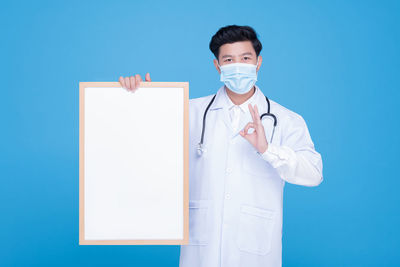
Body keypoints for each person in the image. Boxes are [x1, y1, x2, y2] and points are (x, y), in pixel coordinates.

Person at [119, 25, 323, 267]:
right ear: (217, 66)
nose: (238, 66)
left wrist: (268, 150)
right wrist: (138, 98)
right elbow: (143, 147)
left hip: (255, 251)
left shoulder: (286, 119)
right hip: (201, 250)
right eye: (229, 59)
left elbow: (314, 174)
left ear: (258, 62)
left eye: (245, 58)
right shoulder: (188, 112)